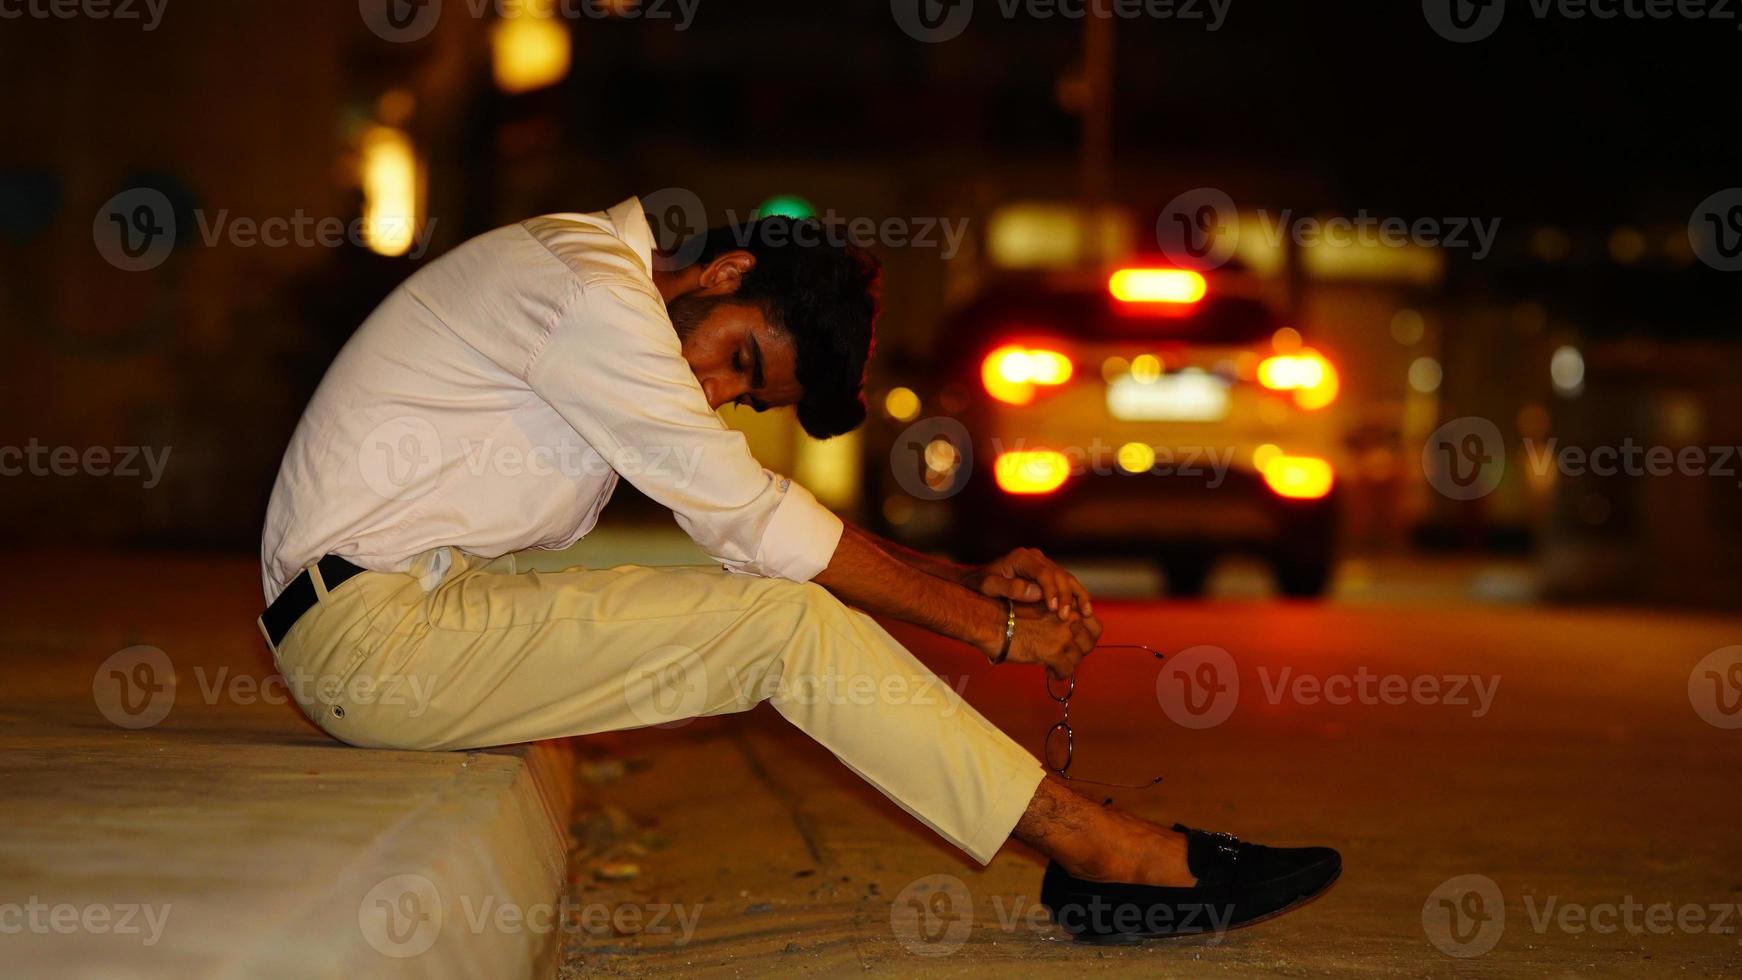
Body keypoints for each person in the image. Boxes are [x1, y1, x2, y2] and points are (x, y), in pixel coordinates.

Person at [257, 197, 1339, 942]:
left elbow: (758, 519)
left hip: (407, 613)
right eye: (739, 359)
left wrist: (963, 577)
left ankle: (1098, 848)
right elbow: (751, 521)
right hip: (375, 639)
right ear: (726, 274)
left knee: (773, 604)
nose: (718, 391)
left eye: (745, 393)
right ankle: (1106, 850)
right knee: (780, 623)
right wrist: (991, 632)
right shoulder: (591, 298)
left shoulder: (580, 282)